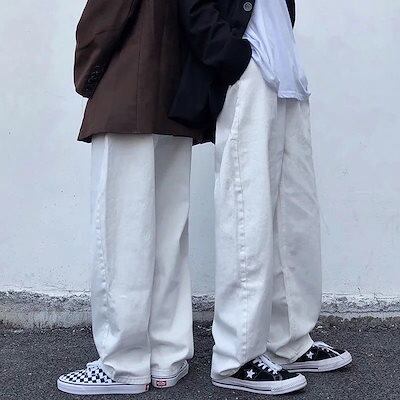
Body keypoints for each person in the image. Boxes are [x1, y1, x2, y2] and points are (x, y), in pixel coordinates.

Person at [171, 0, 353, 395]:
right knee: (245, 211)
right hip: (250, 73)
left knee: (295, 217)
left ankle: (289, 341)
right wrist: (233, 56)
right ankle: (236, 357)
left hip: (286, 72)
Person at [57, 0, 211, 395]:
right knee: (168, 235)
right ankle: (168, 356)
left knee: (121, 234)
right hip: (175, 98)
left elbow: (105, 17)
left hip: (127, 92)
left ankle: (123, 364)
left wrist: (88, 76)